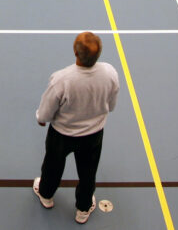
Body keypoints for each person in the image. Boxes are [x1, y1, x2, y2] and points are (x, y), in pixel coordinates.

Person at [33, 32, 120, 225]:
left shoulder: (62, 79)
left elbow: (46, 111)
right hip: (93, 136)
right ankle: (83, 208)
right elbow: (111, 105)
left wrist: (41, 118)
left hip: (62, 135)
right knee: (88, 172)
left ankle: (46, 195)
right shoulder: (110, 73)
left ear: (75, 52)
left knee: (53, 166)